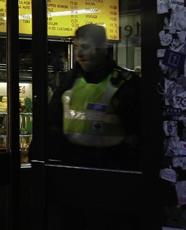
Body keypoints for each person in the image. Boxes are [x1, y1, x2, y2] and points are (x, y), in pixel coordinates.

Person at [45, 24, 142, 230]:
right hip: (70, 179)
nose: (79, 53)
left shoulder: (125, 84)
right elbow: (51, 123)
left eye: (85, 47)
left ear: (103, 48)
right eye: (76, 46)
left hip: (110, 182)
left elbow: (142, 135)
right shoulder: (69, 81)